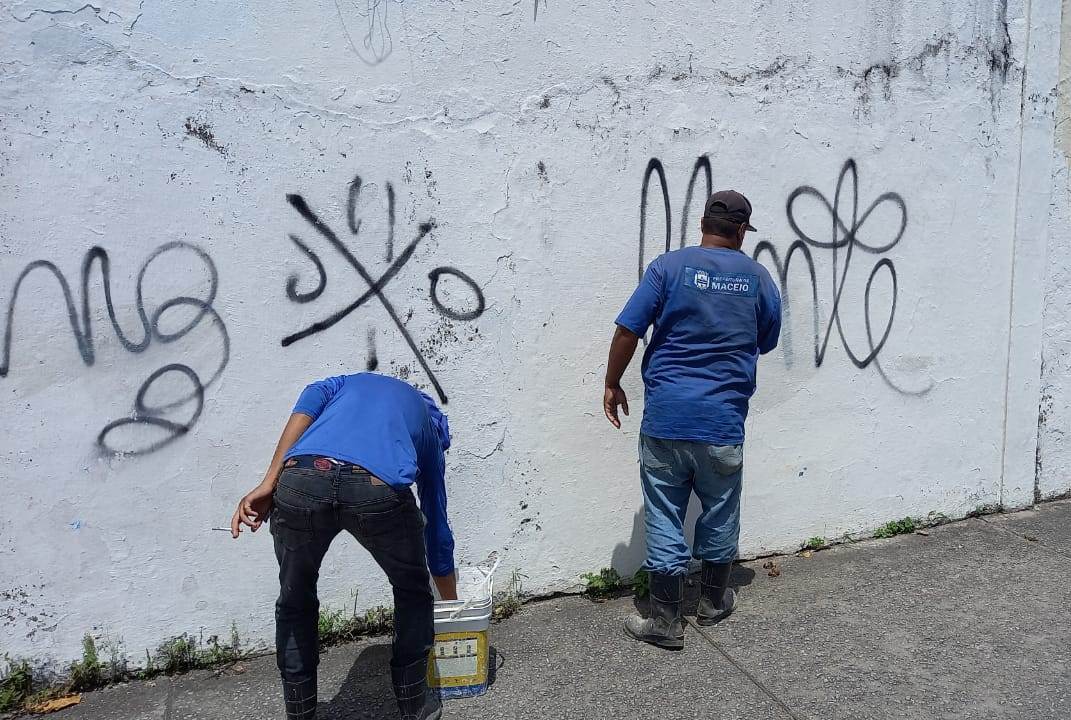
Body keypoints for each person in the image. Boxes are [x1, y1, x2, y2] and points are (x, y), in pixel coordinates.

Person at [603, 190, 781, 649]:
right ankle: (713, 602)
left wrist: (612, 382)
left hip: (666, 418)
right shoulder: (758, 277)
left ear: (702, 223)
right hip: (722, 421)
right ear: (741, 230)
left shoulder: (667, 267)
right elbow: (767, 339)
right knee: (720, 509)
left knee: (664, 512)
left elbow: (628, 330)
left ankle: (665, 621)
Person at [230, 372, 456, 720]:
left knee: (295, 599)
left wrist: (268, 482)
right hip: (374, 487)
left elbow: (308, 397)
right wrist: (452, 607)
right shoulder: (428, 425)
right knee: (412, 592)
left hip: (301, 476)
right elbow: (436, 528)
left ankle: (300, 711)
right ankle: (415, 707)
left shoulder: (345, 384)